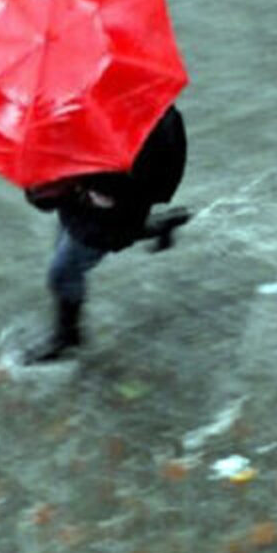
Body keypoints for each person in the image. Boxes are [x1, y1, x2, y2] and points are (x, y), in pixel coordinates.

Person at [22, 105, 191, 364]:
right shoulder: (79, 107)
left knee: (63, 272)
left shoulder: (153, 125)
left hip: (109, 216)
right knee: (75, 247)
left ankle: (67, 337)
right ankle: (162, 225)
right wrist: (45, 189)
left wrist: (92, 188)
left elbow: (149, 185)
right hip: (82, 210)